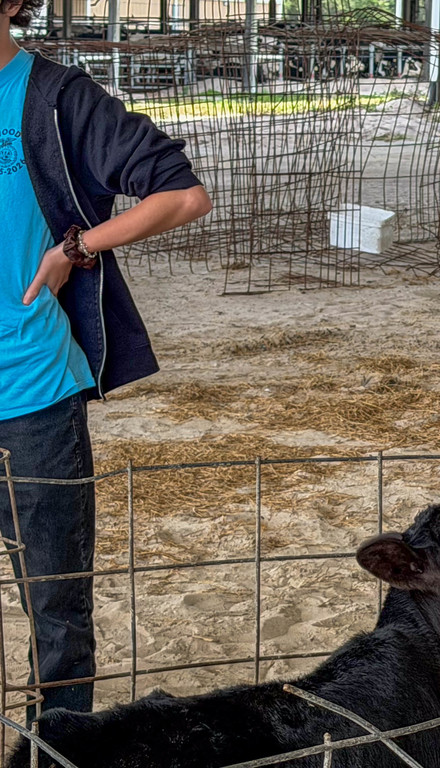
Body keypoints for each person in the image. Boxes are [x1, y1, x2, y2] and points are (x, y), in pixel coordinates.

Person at [1, 0, 211, 721]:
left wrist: (77, 249)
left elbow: (182, 195)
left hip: (31, 393)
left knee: (55, 606)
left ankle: (55, 750)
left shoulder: (57, 100)